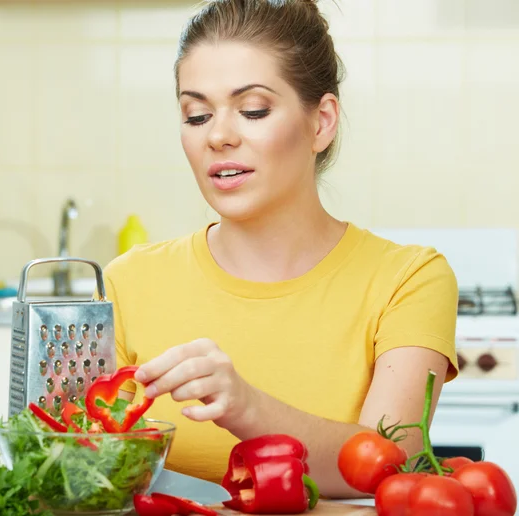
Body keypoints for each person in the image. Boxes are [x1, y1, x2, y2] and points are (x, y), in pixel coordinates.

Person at [101, 0, 459, 499]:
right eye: (196, 114)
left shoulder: (409, 278)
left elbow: (391, 466)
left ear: (322, 122)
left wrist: (247, 407)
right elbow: (89, 474)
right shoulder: (129, 280)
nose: (219, 136)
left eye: (253, 110)